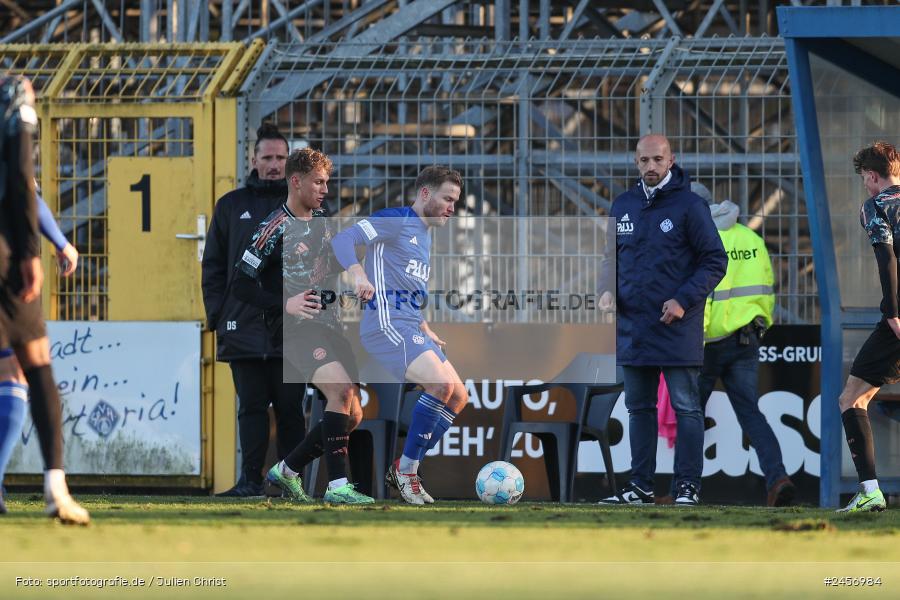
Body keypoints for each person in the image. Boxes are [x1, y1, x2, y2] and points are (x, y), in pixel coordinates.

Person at [233, 147, 373, 504]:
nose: (325, 189)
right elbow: (241, 283)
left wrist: (358, 263)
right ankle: (339, 487)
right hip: (295, 328)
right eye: (318, 182)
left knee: (352, 412)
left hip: (330, 326)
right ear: (296, 182)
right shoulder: (273, 227)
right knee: (340, 393)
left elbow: (326, 266)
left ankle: (288, 469)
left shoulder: (322, 223)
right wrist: (285, 303)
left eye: (327, 182)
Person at [598, 134, 726, 506]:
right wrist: (606, 290)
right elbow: (610, 258)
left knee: (687, 408)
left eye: (657, 159)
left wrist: (684, 301)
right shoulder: (623, 205)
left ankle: (687, 487)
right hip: (633, 328)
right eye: (644, 161)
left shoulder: (690, 206)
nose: (650, 167)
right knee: (638, 409)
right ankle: (640, 487)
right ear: (635, 162)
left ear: (672, 160)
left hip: (677, 326)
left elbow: (715, 261)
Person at [331, 166, 468, 506]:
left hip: (409, 325)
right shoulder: (395, 220)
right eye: (447, 199)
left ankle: (404, 467)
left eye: (455, 201)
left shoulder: (424, 234)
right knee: (441, 387)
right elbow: (343, 239)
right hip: (384, 325)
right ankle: (406, 471)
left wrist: (423, 326)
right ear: (425, 194)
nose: (452, 208)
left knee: (458, 396)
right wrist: (358, 273)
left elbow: (406, 288)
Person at [0, 75, 89, 524]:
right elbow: (23, 185)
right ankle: (56, 487)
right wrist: (42, 249)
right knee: (32, 367)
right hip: (6, 256)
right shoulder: (14, 102)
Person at [202, 124, 306, 497]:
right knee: (251, 408)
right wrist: (217, 315)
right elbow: (213, 265)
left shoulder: (303, 207)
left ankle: (292, 485)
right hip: (241, 325)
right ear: (253, 160)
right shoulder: (231, 205)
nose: (275, 165)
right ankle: (249, 481)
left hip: (290, 328)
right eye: (268, 158)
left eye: (281, 158)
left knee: (291, 409)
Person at [693, 181, 796, 507]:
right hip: (747, 338)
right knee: (751, 414)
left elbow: (704, 297)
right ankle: (778, 478)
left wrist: (696, 340)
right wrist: (760, 326)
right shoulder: (750, 238)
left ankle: (687, 489)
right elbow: (767, 288)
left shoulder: (701, 239)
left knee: (690, 416)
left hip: (708, 342)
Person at [834, 141, 900, 513]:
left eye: (864, 179)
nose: (865, 186)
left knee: (852, 399)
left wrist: (892, 312)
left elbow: (886, 257)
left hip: (898, 314)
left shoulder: (877, 206)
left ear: (872, 176)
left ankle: (870, 491)